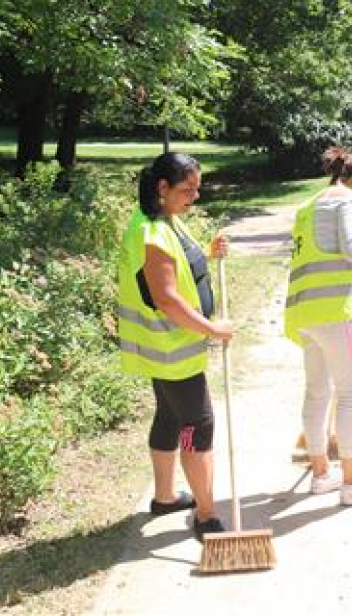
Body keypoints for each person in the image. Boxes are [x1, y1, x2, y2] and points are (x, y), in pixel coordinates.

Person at [117, 151, 233, 540]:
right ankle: (206, 515)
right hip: (173, 352)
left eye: (197, 189)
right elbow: (167, 299)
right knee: (195, 428)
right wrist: (212, 329)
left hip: (167, 350)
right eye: (188, 190)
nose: (194, 197)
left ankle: (165, 497)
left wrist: (208, 254)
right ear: (161, 188)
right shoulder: (151, 233)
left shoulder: (165, 220)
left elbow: (182, 265)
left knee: (170, 418)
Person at [284, 146, 352, 505]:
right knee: (351, 394)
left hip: (302, 313)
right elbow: (349, 249)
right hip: (333, 311)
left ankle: (321, 475)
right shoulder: (345, 199)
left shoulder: (307, 206)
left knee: (317, 392)